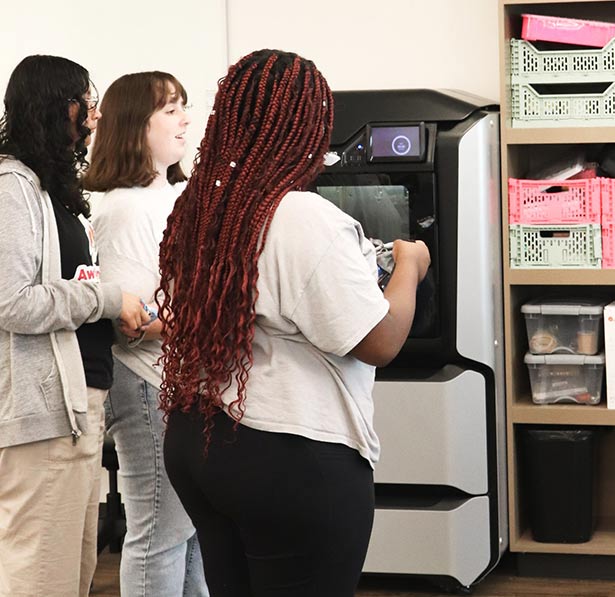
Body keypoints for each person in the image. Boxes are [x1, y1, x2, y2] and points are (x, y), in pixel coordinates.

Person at [157, 49, 431, 597]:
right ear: (307, 129)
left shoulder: (200, 207)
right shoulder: (300, 215)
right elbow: (377, 341)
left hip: (199, 441)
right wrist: (409, 266)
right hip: (287, 456)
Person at [0, 54, 147, 596]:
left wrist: (114, 316)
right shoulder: (10, 188)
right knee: (41, 575)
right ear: (62, 107)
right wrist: (107, 299)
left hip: (76, 405)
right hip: (43, 414)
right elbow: (12, 302)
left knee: (71, 570)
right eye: (89, 101)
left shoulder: (49, 190)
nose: (96, 116)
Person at [84, 71, 208, 597]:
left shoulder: (176, 195)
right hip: (146, 382)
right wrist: (210, 316)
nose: (185, 119)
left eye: (184, 106)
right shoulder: (124, 207)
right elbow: (134, 321)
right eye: (170, 109)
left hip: (185, 381)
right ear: (137, 126)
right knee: (159, 531)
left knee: (193, 530)